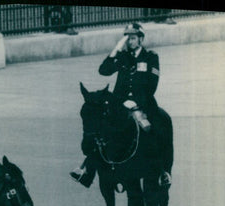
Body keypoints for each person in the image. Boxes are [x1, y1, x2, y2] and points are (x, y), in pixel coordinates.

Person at [71, 22, 173, 189]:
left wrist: (136, 102)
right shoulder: (123, 56)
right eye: (127, 39)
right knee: (101, 126)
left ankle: (162, 170)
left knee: (152, 129)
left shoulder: (150, 57)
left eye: (132, 38)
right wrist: (116, 50)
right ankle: (86, 171)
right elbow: (103, 70)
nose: (130, 42)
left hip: (142, 104)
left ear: (140, 39)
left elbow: (152, 84)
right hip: (119, 103)